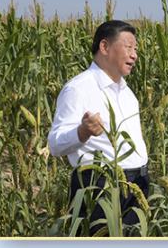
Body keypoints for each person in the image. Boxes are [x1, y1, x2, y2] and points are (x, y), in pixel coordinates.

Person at [48, 20, 149, 235]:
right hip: (100, 187)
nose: (134, 55)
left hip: (136, 185)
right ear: (104, 47)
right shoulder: (79, 89)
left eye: (136, 49)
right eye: (128, 47)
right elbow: (55, 145)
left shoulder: (127, 93)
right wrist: (82, 132)